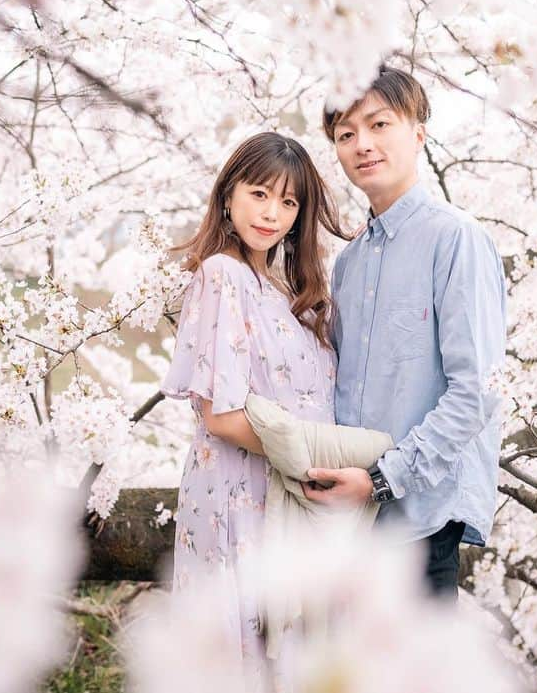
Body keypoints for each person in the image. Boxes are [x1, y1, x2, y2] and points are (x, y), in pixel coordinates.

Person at [303, 65, 509, 601]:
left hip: (420, 525)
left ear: (418, 132)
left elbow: (477, 391)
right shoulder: (348, 263)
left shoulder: (456, 240)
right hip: (349, 531)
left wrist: (380, 481)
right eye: (345, 135)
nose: (362, 145)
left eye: (378, 125)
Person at [159, 131, 349, 686]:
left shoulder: (282, 287)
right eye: (260, 194)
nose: (273, 214)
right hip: (241, 493)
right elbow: (220, 415)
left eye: (288, 202)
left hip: (289, 494)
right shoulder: (222, 275)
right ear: (228, 195)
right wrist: (317, 459)